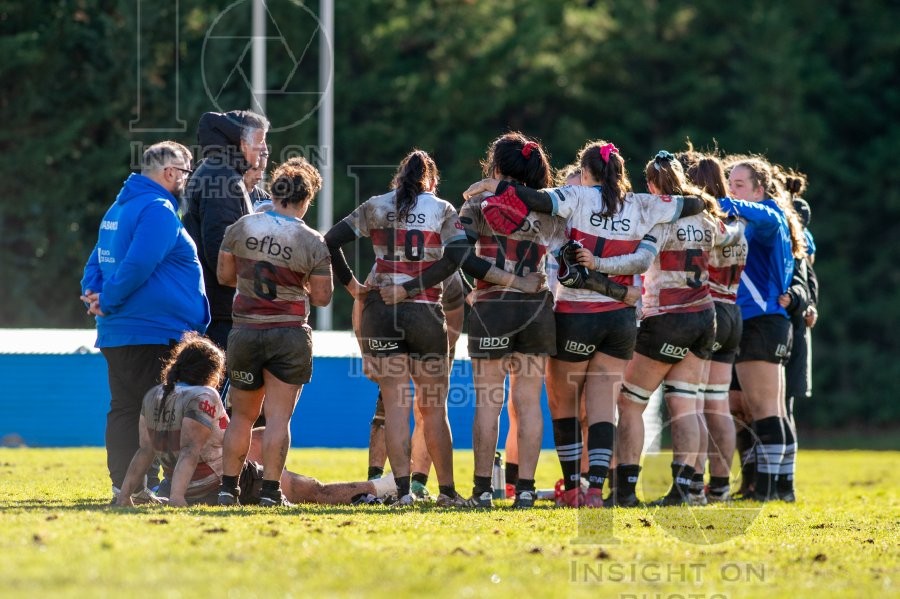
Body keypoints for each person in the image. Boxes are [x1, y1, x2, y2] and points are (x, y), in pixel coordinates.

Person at [465, 141, 703, 508]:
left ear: (586, 170)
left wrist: (490, 186)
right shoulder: (641, 203)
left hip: (570, 314)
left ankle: (563, 486)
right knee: (601, 408)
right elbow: (693, 204)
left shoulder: (574, 197)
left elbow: (534, 204)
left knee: (556, 405)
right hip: (618, 319)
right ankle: (591, 490)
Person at [326, 149, 511, 506]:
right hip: (424, 312)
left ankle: (402, 492)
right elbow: (455, 259)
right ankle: (447, 492)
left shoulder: (375, 205)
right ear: (432, 181)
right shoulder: (441, 208)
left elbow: (330, 240)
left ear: (399, 178)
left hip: (381, 311)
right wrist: (411, 288)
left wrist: (352, 286)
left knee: (395, 407)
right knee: (434, 410)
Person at [582, 151, 741, 506]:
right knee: (686, 405)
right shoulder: (705, 215)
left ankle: (624, 490)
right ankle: (685, 490)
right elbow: (730, 236)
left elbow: (640, 260)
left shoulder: (660, 217)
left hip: (669, 316)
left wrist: (598, 263)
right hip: (705, 316)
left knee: (629, 402)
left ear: (653, 185)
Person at [115, 333, 394, 507]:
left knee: (258, 435)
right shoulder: (204, 395)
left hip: (176, 481)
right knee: (315, 491)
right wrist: (177, 499)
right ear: (211, 372)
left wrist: (125, 495)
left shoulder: (155, 394)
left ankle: (380, 486)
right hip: (215, 483)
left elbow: (145, 451)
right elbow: (192, 450)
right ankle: (384, 487)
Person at [80, 141, 210, 500]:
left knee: (125, 408)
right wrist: (106, 299)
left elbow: (95, 263)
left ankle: (127, 486)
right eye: (186, 173)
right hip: (151, 331)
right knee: (155, 411)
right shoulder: (158, 209)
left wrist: (94, 294)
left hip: (119, 330)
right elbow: (138, 264)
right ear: (170, 173)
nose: (187, 181)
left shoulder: (119, 207)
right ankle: (141, 486)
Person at [216, 156, 333, 507]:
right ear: (306, 199)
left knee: (241, 417)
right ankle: (270, 492)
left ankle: (227, 489)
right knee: (279, 419)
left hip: (245, 330)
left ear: (275, 192)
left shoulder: (241, 227)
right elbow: (323, 297)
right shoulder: (312, 240)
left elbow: (224, 276)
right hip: (288, 332)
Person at [458, 133, 558, 508]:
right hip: (536, 309)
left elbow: (460, 256)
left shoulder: (477, 202)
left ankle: (483, 490)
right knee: (529, 403)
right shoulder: (549, 207)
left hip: (493, 307)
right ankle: (526, 489)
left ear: (496, 167)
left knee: (489, 403)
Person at [723, 156, 807, 501]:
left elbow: (761, 217)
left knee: (764, 410)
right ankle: (782, 487)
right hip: (767, 322)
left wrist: (713, 201)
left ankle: (768, 489)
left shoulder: (769, 214)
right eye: (729, 184)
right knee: (773, 409)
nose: (732, 191)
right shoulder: (758, 217)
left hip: (761, 322)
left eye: (739, 185)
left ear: (760, 190)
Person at [683, 154, 749, 503]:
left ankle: (693, 482)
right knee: (718, 404)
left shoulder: (702, 222)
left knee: (691, 402)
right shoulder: (737, 222)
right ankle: (720, 485)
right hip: (732, 311)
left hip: (705, 311)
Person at [182, 110, 270, 350]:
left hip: (211, 306)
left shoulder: (215, 171)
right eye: (260, 141)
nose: (264, 149)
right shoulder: (223, 178)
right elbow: (220, 251)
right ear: (242, 143)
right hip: (219, 312)